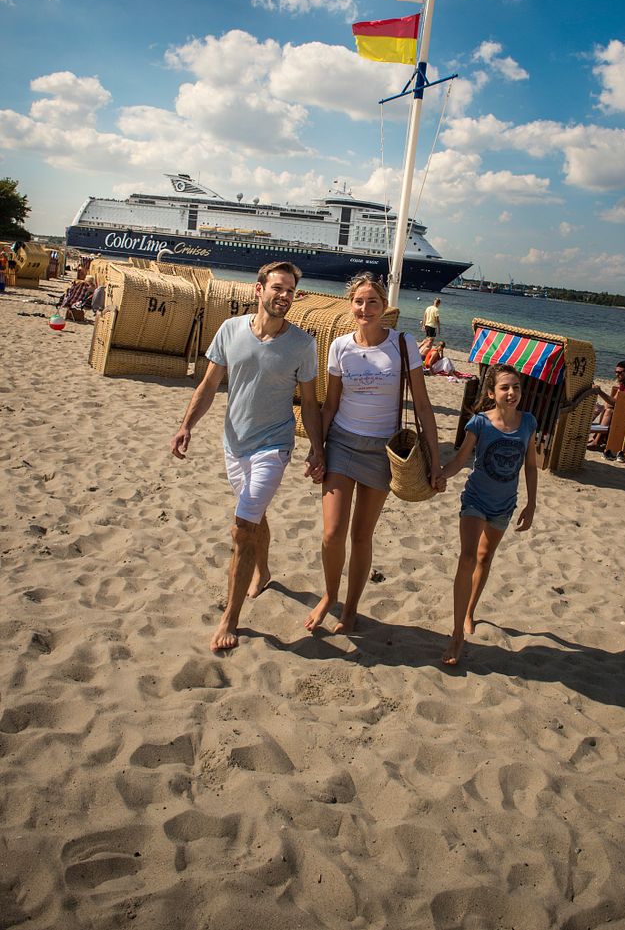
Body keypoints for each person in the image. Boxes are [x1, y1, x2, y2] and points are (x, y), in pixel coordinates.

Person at [170, 260, 324, 653]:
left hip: (274, 445)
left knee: (241, 528)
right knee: (255, 516)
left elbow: (308, 403)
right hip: (233, 442)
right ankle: (265, 569)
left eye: (290, 290)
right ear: (259, 290)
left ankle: (230, 619)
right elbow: (209, 384)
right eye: (278, 288)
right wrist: (187, 425)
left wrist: (316, 447)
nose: (284, 296)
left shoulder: (304, 345)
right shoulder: (229, 330)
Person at [304, 272, 442, 635]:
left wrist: (436, 461)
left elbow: (424, 407)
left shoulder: (403, 344)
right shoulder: (339, 347)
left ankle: (350, 608)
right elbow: (329, 405)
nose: (365, 308)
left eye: (373, 302)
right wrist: (316, 450)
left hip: (383, 451)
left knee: (362, 535)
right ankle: (329, 595)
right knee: (332, 533)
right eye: (359, 302)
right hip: (343, 444)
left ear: (385, 308)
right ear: (351, 306)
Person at [437, 364, 538, 666]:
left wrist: (531, 504)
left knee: (485, 557)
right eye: (505, 387)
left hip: (505, 505)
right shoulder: (479, 423)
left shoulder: (528, 422)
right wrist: (441, 475)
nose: (512, 393)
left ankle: (469, 612)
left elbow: (530, 465)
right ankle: (456, 635)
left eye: (516, 387)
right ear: (492, 393)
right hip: (476, 499)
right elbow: (459, 460)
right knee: (468, 557)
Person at [587, 360, 625, 450]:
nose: (617, 374)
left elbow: (615, 402)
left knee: (609, 411)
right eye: (616, 372)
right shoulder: (624, 382)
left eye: (620, 372)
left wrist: (600, 392)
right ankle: (597, 438)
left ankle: (597, 441)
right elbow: (615, 399)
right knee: (607, 407)